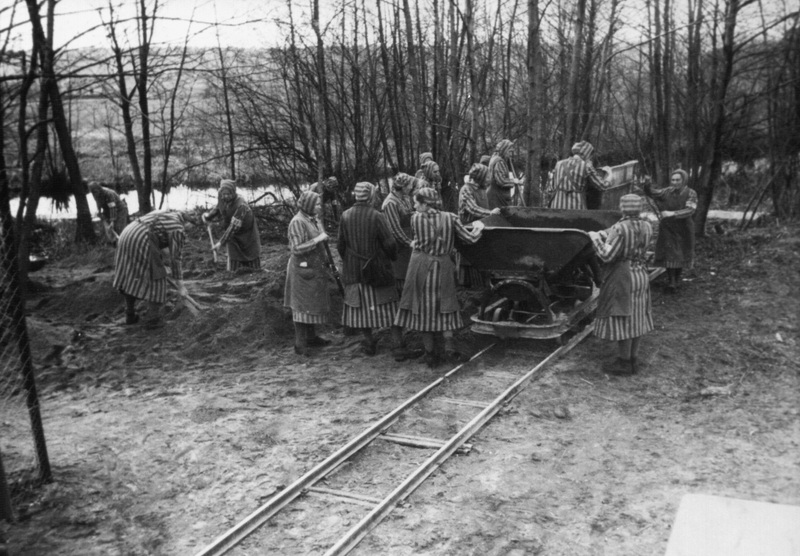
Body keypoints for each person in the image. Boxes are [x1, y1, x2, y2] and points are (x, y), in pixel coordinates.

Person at [394, 187, 485, 368]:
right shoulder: (451, 218)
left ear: (425, 204)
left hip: (420, 267)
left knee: (423, 309)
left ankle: (430, 354)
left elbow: (418, 241)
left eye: (416, 203)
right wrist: (478, 228)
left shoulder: (415, 219)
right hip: (443, 267)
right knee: (446, 305)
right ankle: (449, 347)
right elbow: (469, 239)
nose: (414, 206)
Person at [338, 182, 418, 360]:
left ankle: (369, 343)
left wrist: (350, 261)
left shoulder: (345, 215)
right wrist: (392, 258)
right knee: (389, 307)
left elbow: (340, 245)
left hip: (354, 271)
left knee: (360, 308)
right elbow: (389, 243)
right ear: (371, 197)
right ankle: (397, 346)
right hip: (377, 270)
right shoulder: (377, 216)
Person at [588, 194, 654, 376]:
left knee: (624, 316)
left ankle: (624, 362)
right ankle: (633, 359)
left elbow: (607, 255)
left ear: (623, 208)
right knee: (638, 316)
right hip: (640, 274)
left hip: (623, 276)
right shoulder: (647, 226)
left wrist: (594, 238)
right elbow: (620, 236)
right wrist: (605, 233)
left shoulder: (620, 228)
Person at [113, 211, 187, 328]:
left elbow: (164, 249)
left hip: (126, 234)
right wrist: (181, 287)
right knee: (157, 276)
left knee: (131, 274)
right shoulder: (178, 227)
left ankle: (130, 315)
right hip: (141, 238)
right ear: (186, 222)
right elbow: (176, 258)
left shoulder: (165, 215)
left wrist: (165, 263)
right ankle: (153, 319)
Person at [283, 190, 332, 356]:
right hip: (301, 270)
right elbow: (296, 248)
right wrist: (318, 239)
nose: (319, 206)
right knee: (301, 308)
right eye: (317, 204)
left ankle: (311, 338)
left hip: (313, 267)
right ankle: (300, 344)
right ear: (309, 205)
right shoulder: (297, 222)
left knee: (311, 305)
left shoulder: (313, 219)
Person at [643, 169, 697, 292]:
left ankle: (676, 280)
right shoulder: (667, 191)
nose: (675, 182)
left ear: (684, 180)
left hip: (684, 228)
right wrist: (647, 184)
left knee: (680, 254)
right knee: (670, 254)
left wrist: (672, 213)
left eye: (678, 180)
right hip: (668, 227)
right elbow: (652, 193)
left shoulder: (691, 193)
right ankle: (671, 282)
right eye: (673, 180)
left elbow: (690, 209)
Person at [202, 179, 261, 271]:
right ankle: (233, 272)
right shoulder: (222, 197)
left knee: (251, 256)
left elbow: (233, 227)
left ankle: (255, 272)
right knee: (233, 255)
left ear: (233, 193)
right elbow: (219, 208)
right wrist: (209, 217)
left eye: (228, 194)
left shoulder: (241, 205)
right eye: (224, 194)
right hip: (233, 234)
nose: (225, 196)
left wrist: (220, 243)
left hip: (247, 233)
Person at [458, 163, 500, 288]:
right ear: (480, 177)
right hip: (468, 229)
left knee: (480, 257)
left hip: (481, 227)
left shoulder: (482, 189)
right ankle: (467, 287)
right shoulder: (466, 189)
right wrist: (490, 213)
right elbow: (472, 209)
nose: (489, 179)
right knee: (469, 259)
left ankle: (482, 286)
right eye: (487, 177)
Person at [547, 140, 611, 210]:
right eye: (590, 156)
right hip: (576, 209)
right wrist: (609, 174)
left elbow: (552, 187)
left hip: (556, 207)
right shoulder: (586, 165)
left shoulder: (558, 164)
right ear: (586, 154)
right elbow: (602, 186)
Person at [381, 173, 416, 294]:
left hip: (407, 242)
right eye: (410, 185)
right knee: (401, 274)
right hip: (399, 245)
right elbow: (394, 228)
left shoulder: (404, 198)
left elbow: (408, 215)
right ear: (403, 186)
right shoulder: (390, 203)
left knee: (409, 272)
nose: (411, 187)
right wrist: (409, 242)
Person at [487, 139, 523, 209]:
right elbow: (501, 181)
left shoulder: (495, 158)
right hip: (496, 197)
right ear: (504, 150)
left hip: (496, 196)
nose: (511, 154)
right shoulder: (499, 161)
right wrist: (514, 181)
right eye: (509, 152)